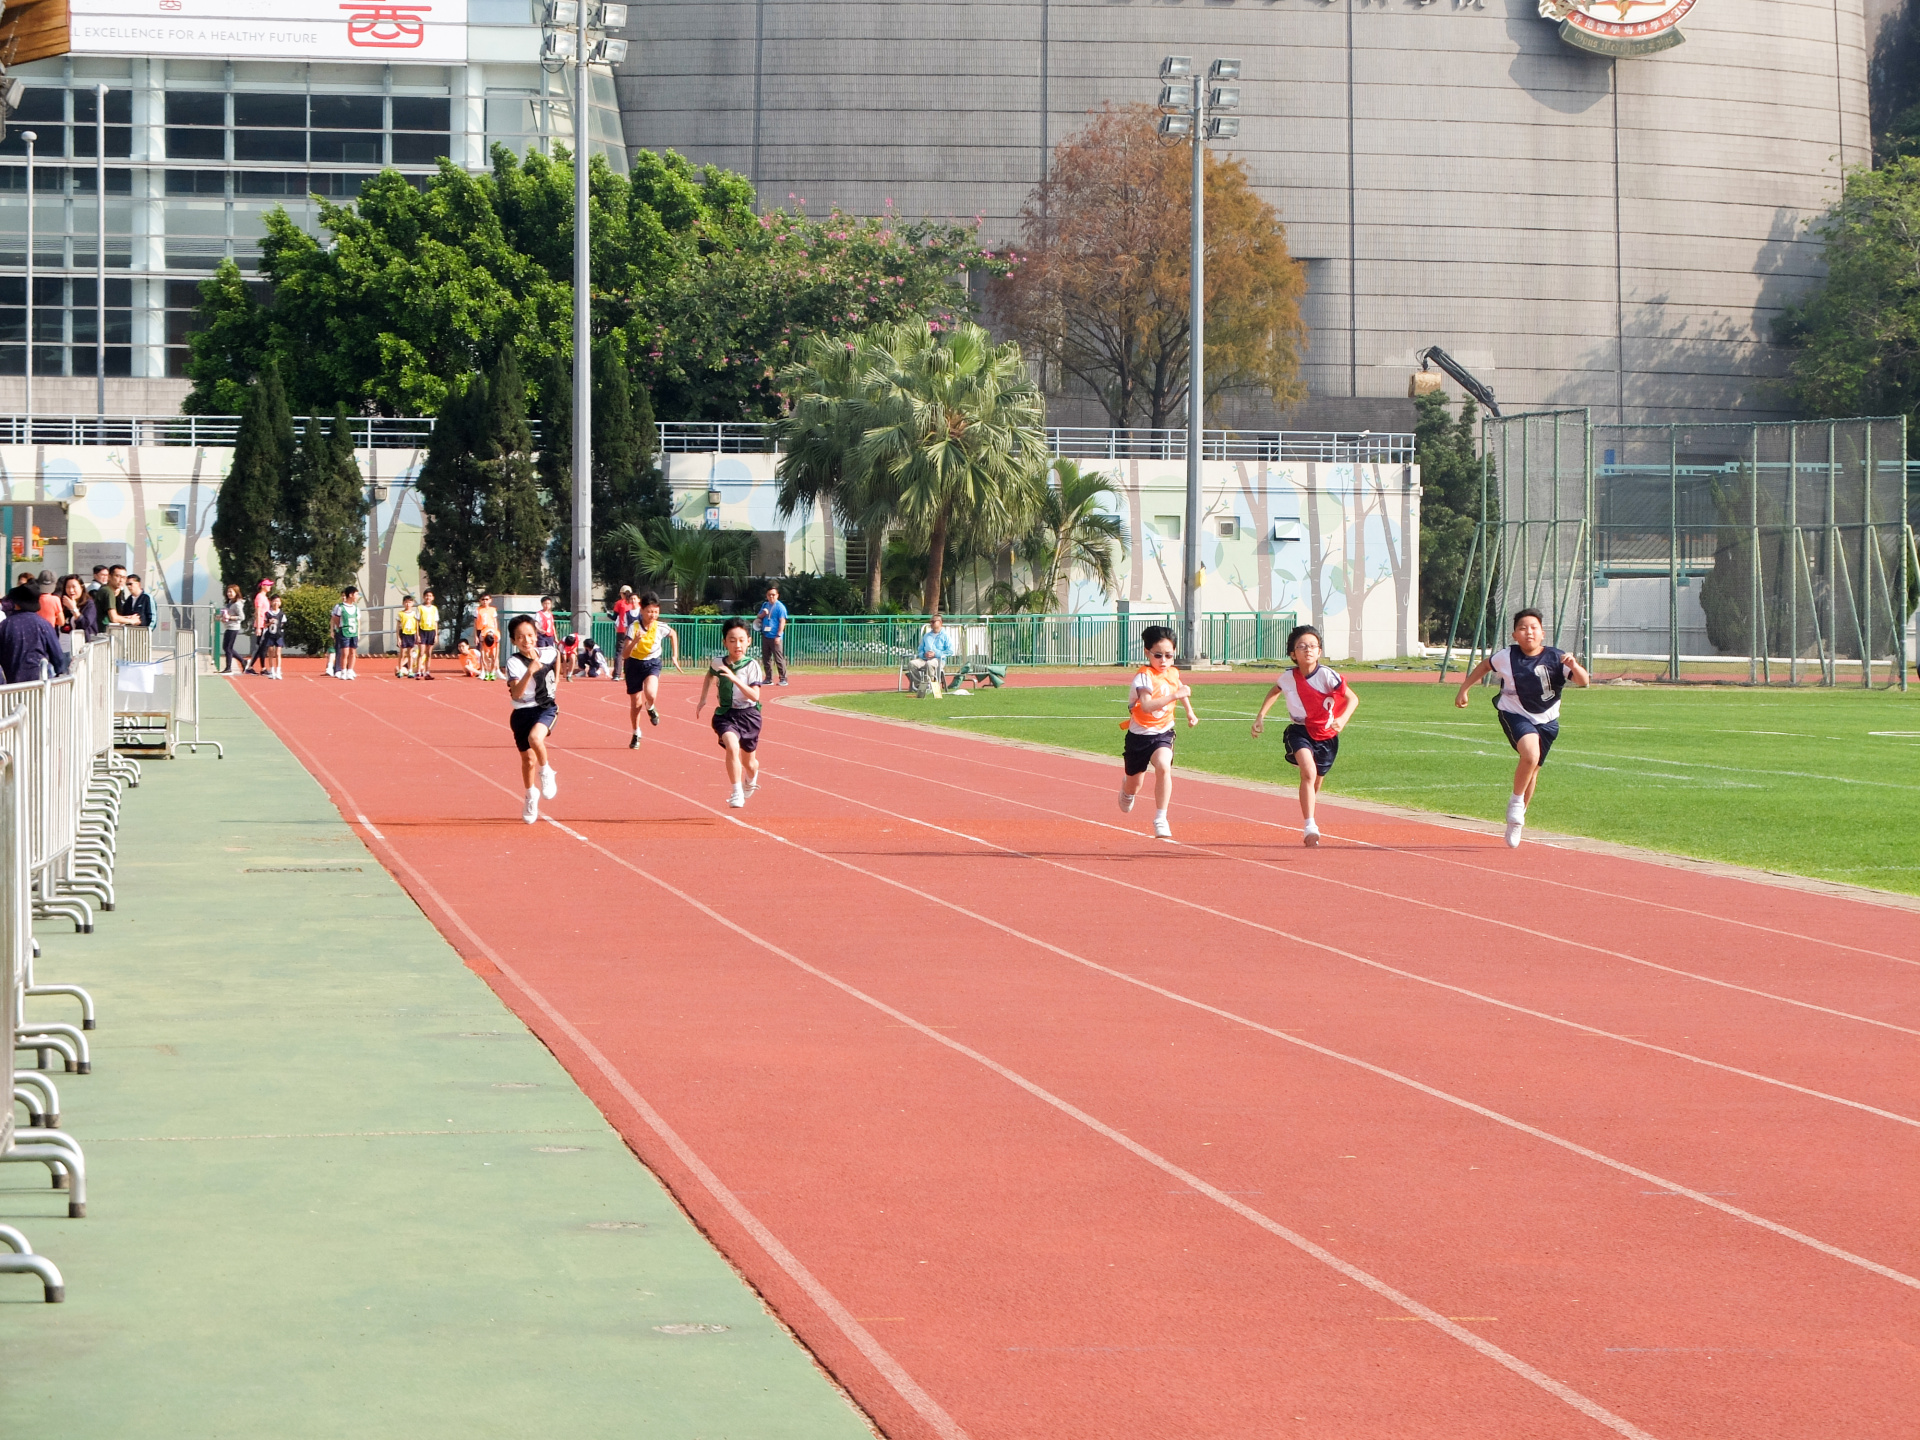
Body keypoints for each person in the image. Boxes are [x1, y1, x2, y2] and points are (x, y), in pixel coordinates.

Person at [1453, 606, 1592, 848]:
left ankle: (1517, 820)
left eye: (1534, 628)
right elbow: (1485, 666)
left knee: (1533, 770)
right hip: (1514, 713)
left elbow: (1583, 682)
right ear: (1515, 635)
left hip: (1547, 720)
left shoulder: (1557, 657)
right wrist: (1464, 689)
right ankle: (1516, 804)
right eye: (1522, 628)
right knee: (1530, 754)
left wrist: (1575, 665)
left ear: (1542, 633)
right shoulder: (1507, 656)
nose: (1529, 632)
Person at [1250, 624, 1359, 848]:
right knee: (1308, 772)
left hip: (1327, 735)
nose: (1308, 650)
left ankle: (1309, 807)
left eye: (1312, 646)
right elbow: (1275, 690)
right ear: (1293, 654)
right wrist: (1260, 716)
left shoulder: (1327, 675)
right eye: (1302, 646)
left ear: (1319, 652)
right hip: (1300, 730)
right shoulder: (1288, 677)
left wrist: (1343, 719)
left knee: (1315, 780)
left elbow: (1353, 698)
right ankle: (1310, 826)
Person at [1117, 624, 1198, 841]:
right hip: (1139, 737)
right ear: (1147, 652)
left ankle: (1161, 818)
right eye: (1158, 655)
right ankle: (1128, 789)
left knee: (1163, 765)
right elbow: (1146, 705)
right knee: (1135, 783)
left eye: (1169, 655)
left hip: (1163, 732)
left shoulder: (1172, 672)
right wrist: (1174, 696)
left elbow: (1179, 689)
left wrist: (1189, 712)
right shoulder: (1144, 677)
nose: (1163, 661)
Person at [694, 616, 765, 808]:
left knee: (750, 763)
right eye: (732, 640)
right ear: (724, 642)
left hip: (749, 716)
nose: (737, 645)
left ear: (749, 641)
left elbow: (755, 695)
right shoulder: (718, 662)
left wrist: (734, 679)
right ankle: (736, 792)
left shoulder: (752, 665)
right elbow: (709, 675)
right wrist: (703, 698)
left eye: (741, 640)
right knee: (732, 746)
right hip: (726, 715)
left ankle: (751, 777)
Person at [503, 613, 559, 824]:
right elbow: (516, 694)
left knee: (536, 738)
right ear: (513, 640)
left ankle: (546, 772)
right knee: (527, 761)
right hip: (521, 713)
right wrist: (530, 671)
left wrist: (555, 684)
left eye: (529, 635)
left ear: (536, 635)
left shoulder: (548, 652)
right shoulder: (514, 663)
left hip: (545, 709)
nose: (526, 640)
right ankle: (530, 795)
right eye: (520, 637)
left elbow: (557, 656)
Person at [621, 591, 680, 747]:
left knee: (651, 693)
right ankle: (636, 732)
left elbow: (673, 634)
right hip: (633, 665)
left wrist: (675, 656)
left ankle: (650, 706)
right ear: (641, 611)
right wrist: (635, 641)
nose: (652, 615)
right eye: (649, 611)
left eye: (656, 611)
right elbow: (625, 654)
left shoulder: (660, 626)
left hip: (652, 663)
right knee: (636, 703)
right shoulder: (633, 628)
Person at [0, 595, 68, 682]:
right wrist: (60, 670)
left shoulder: (5, 625)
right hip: (39, 680)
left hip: (13, 682)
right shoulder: (43, 624)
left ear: (16, 605)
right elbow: (56, 651)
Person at [908, 613, 954, 697]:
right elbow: (920, 649)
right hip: (924, 659)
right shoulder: (926, 636)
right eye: (930, 622)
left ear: (940, 623)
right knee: (912, 663)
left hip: (938, 660)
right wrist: (924, 654)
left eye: (933, 621)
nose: (931, 623)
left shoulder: (946, 636)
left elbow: (950, 651)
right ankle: (920, 686)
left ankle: (931, 685)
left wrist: (935, 654)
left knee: (930, 663)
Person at [756, 584, 790, 686]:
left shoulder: (780, 607)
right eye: (769, 595)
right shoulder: (765, 605)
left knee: (778, 658)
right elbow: (759, 616)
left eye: (773, 595)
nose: (771, 597)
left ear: (777, 595)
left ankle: (783, 679)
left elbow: (782, 621)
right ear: (766, 596)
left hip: (775, 636)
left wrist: (778, 635)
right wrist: (763, 614)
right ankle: (768, 678)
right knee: (766, 658)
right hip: (765, 634)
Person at [57, 574, 100, 644]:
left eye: (74, 587)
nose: (71, 590)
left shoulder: (89, 604)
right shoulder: (62, 603)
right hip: (63, 643)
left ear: (81, 588)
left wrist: (73, 609)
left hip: (83, 644)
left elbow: (85, 624)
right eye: (68, 587)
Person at [330, 584, 361, 680]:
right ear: (351, 595)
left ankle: (350, 670)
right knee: (345, 653)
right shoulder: (340, 607)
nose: (357, 596)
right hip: (344, 632)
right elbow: (336, 618)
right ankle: (343, 670)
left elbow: (358, 621)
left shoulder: (356, 608)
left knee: (353, 652)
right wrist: (340, 627)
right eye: (356, 594)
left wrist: (358, 632)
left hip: (353, 632)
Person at [245, 577, 273, 673]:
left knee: (262, 647)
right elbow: (258, 611)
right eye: (268, 585)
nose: (269, 587)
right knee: (260, 647)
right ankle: (250, 667)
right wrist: (258, 627)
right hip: (261, 625)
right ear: (263, 586)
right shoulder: (260, 597)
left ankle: (262, 667)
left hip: (265, 624)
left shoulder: (264, 597)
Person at [218, 583, 246, 672]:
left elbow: (242, 617)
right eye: (228, 592)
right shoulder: (230, 603)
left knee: (228, 648)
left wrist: (230, 617)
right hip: (228, 627)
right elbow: (227, 614)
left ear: (236, 592)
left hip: (233, 628)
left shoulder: (237, 604)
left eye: (231, 592)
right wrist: (221, 617)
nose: (229, 594)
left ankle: (229, 667)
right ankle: (243, 661)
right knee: (226, 647)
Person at [474, 593, 500, 680]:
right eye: (483, 599)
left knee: (493, 653)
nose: (485, 601)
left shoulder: (493, 610)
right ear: (480, 601)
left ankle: (494, 671)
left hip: (491, 632)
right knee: (483, 652)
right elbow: (475, 624)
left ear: (490, 600)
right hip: (481, 631)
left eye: (486, 599)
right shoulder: (478, 610)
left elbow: (495, 622)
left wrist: (496, 631)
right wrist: (475, 636)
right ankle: (483, 671)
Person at [261, 593, 286, 679]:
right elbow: (265, 625)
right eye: (274, 601)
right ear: (271, 602)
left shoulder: (282, 614)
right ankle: (272, 671)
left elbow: (282, 625)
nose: (276, 603)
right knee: (271, 653)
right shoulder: (268, 613)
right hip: (270, 635)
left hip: (278, 635)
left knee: (278, 653)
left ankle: (278, 671)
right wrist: (270, 623)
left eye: (278, 601)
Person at [394, 595, 420, 678]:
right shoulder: (400, 614)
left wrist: (417, 635)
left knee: (410, 653)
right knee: (402, 653)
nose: (408, 604)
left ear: (412, 603)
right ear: (403, 603)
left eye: (409, 602)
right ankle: (400, 670)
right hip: (403, 634)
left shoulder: (414, 614)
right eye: (406, 602)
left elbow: (417, 626)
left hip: (411, 634)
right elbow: (398, 627)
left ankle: (410, 670)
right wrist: (398, 638)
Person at [417, 590, 439, 679]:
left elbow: (436, 622)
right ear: (423, 597)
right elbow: (417, 621)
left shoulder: (434, 608)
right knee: (421, 652)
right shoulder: (420, 608)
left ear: (432, 598)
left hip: (431, 631)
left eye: (430, 596)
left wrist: (436, 634)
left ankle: (427, 672)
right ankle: (418, 672)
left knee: (429, 653)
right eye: (426, 595)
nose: (428, 597)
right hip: (422, 631)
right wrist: (417, 634)